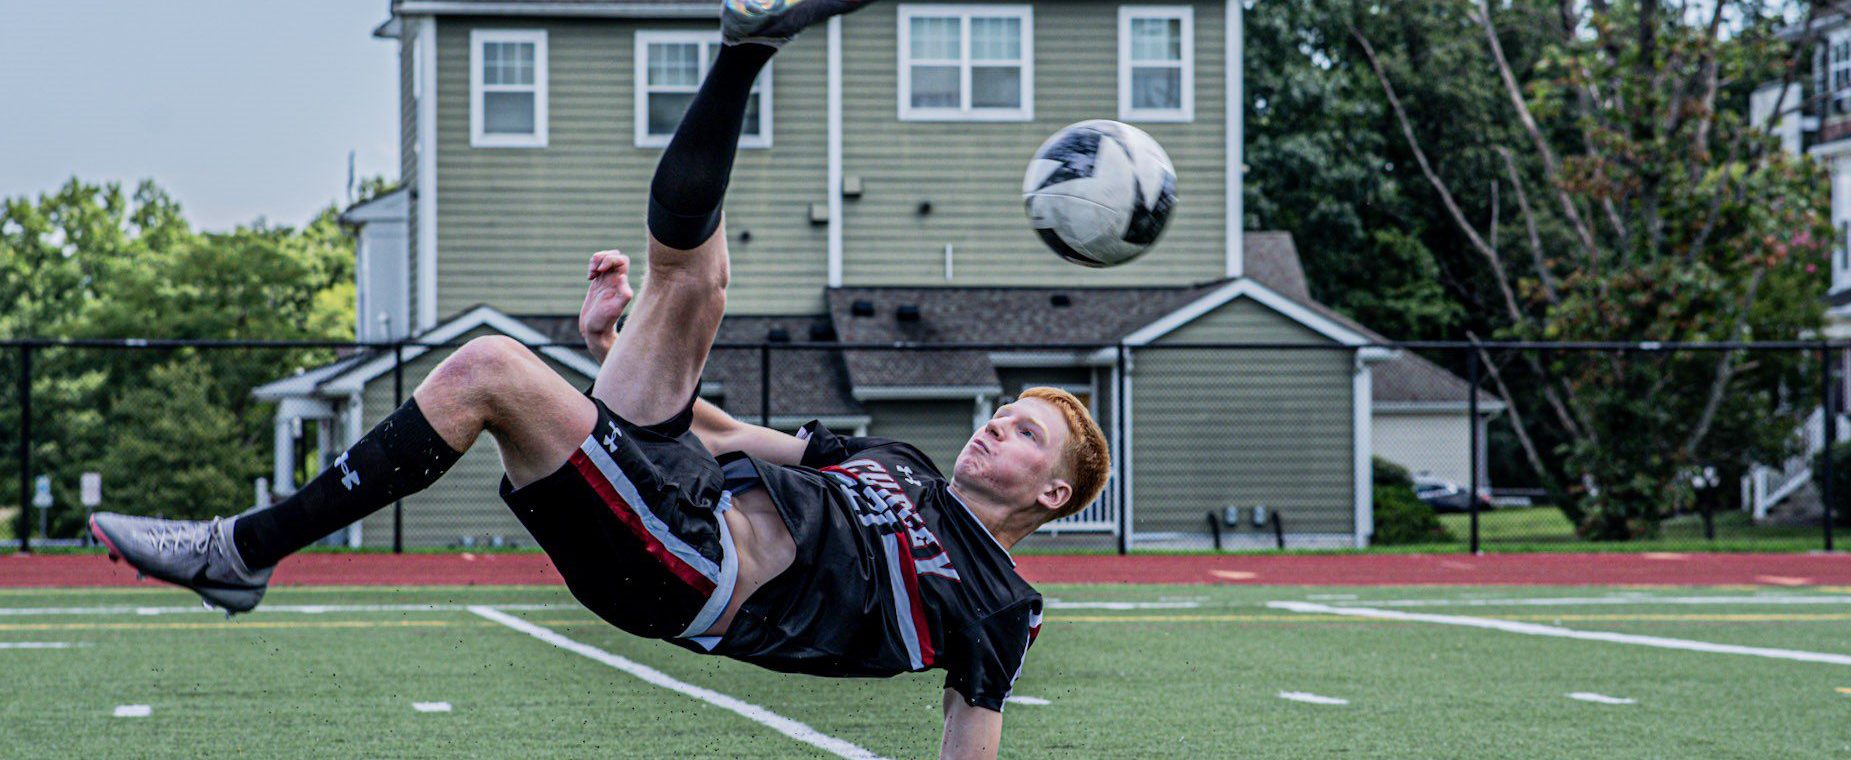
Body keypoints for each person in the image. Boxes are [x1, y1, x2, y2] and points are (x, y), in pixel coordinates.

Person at [89, 2, 1110, 756]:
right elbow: (719, 433)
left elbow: (970, 740)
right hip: (683, 484)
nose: (995, 428)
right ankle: (743, 48)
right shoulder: (897, 463)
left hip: (690, 567)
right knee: (695, 280)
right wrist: (609, 358)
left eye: (1026, 435)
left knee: (488, 367)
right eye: (1005, 412)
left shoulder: (998, 603)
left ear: (1053, 491)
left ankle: (241, 550)